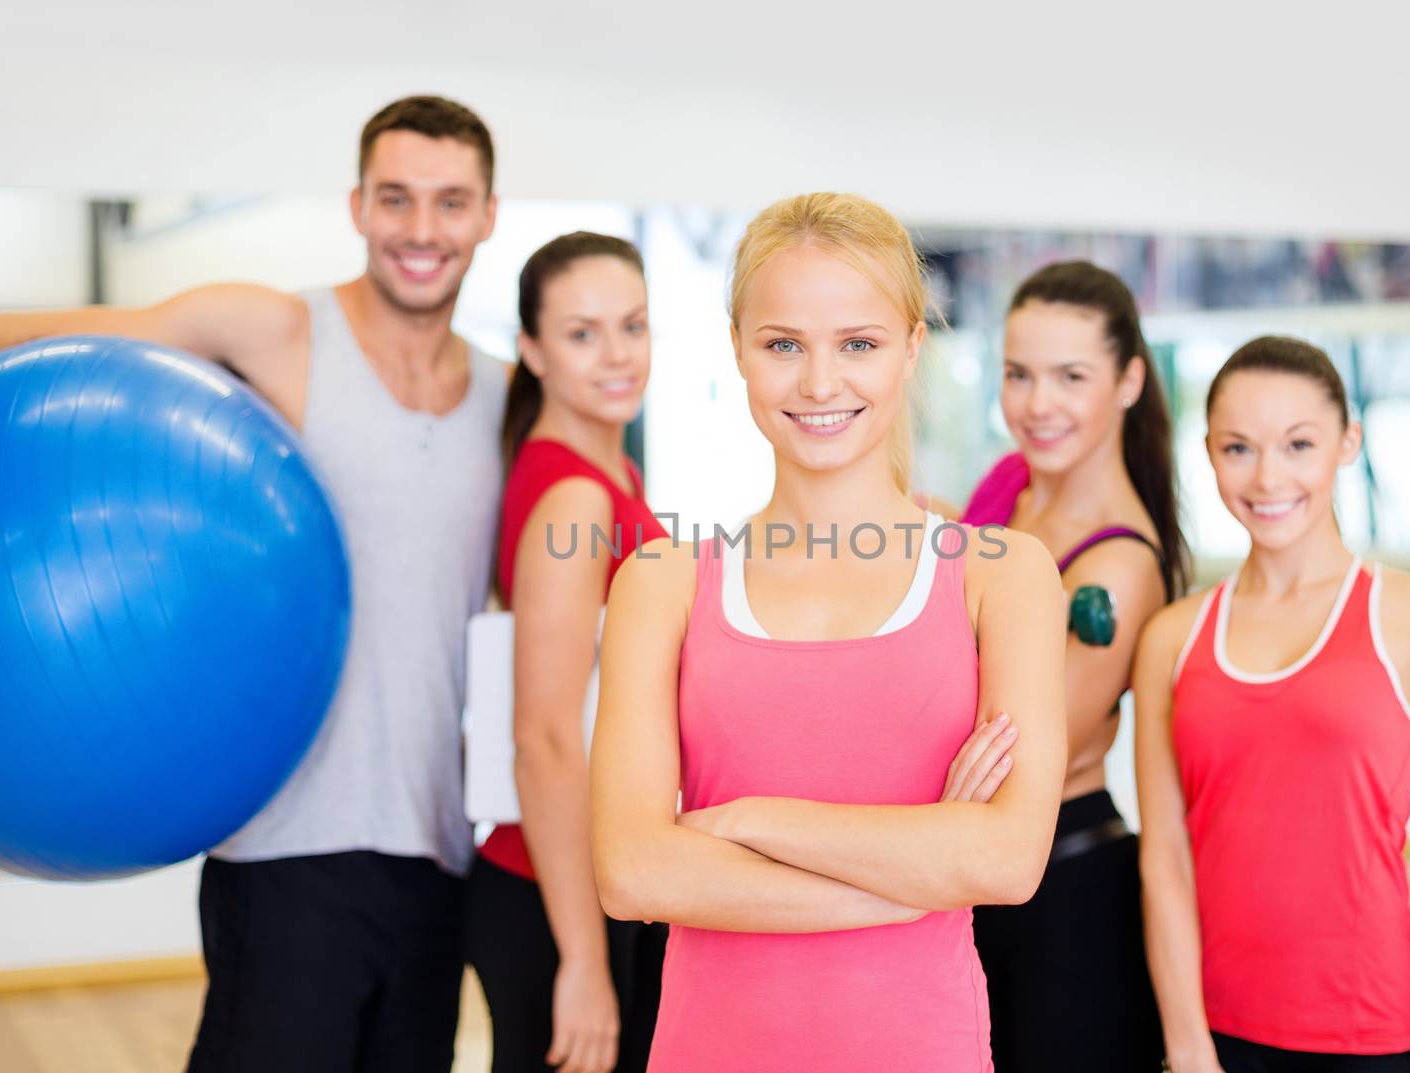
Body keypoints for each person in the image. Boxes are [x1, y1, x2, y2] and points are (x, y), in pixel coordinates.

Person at [0, 95, 506, 1073]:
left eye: (448, 202)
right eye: (396, 198)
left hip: (436, 850)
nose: (421, 230)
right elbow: (6, 334)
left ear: (487, 215)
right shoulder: (272, 330)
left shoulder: (507, 398)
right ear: (357, 206)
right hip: (281, 848)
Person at [588, 192, 1069, 1073]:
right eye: (782, 345)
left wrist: (739, 821)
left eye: (859, 343)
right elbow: (633, 872)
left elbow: (1005, 861)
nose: (819, 384)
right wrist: (914, 874)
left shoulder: (1002, 575)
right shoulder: (661, 584)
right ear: (738, 348)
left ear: (913, 347)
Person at [1135, 336, 1410, 1073]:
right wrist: (1185, 1040)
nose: (1268, 476)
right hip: (1217, 1024)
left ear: (1346, 443)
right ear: (1209, 452)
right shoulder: (1172, 635)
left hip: (1371, 1025)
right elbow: (1164, 855)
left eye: (1299, 444)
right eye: (1239, 448)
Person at [957, 260, 1182, 1070]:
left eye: (1069, 376)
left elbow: (1018, 762)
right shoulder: (1010, 488)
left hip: (1067, 892)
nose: (1036, 403)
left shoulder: (1118, 566)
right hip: (974, 874)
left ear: (1127, 380)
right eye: (1018, 373)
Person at [464, 232, 667, 1073]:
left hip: (591, 880)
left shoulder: (607, 472)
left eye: (633, 325)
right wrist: (583, 959)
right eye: (583, 334)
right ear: (532, 352)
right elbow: (543, 737)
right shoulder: (575, 494)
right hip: (556, 896)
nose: (618, 355)